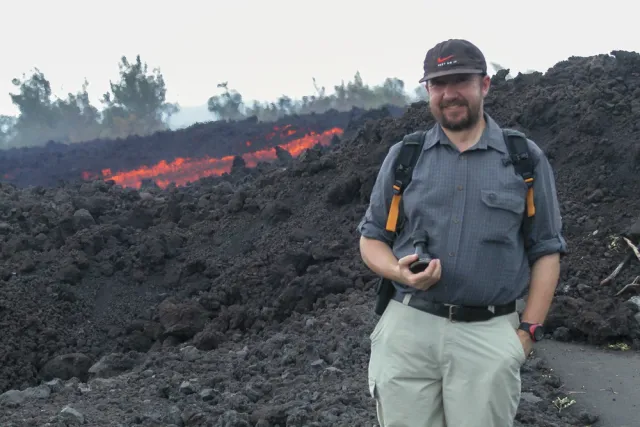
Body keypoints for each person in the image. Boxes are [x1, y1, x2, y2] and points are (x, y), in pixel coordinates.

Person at [357, 39, 567, 427]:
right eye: (438, 84)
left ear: (484, 85)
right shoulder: (406, 157)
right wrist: (398, 272)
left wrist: (526, 335)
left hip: (487, 335)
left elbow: (546, 250)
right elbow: (371, 238)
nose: (449, 93)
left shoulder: (524, 159)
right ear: (427, 92)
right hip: (408, 330)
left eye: (461, 81)